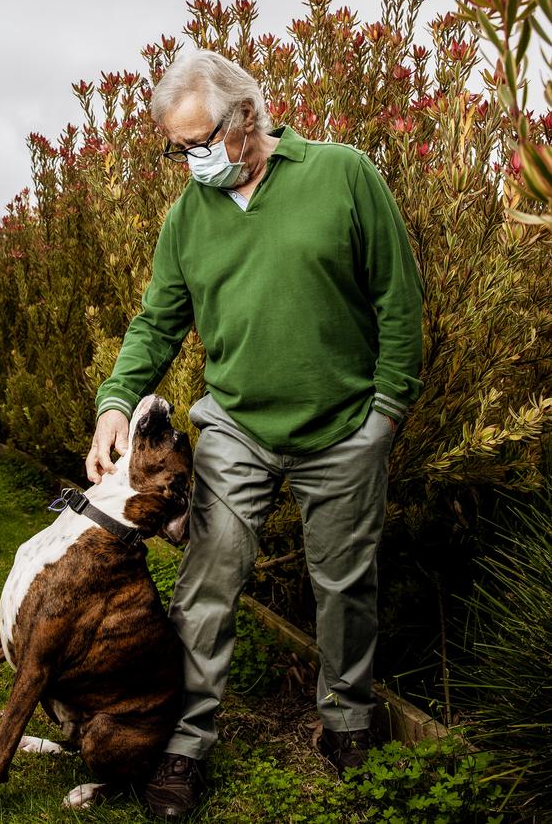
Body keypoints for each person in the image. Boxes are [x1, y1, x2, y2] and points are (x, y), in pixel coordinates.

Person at [86, 48, 423, 819]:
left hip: (343, 428)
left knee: (345, 583)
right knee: (209, 582)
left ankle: (346, 721)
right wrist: (116, 401)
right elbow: (157, 323)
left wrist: (385, 417)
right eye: (178, 147)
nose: (190, 160)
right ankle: (184, 741)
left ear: (247, 117)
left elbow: (400, 302)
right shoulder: (187, 218)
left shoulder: (342, 174)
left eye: (199, 141)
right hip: (237, 424)